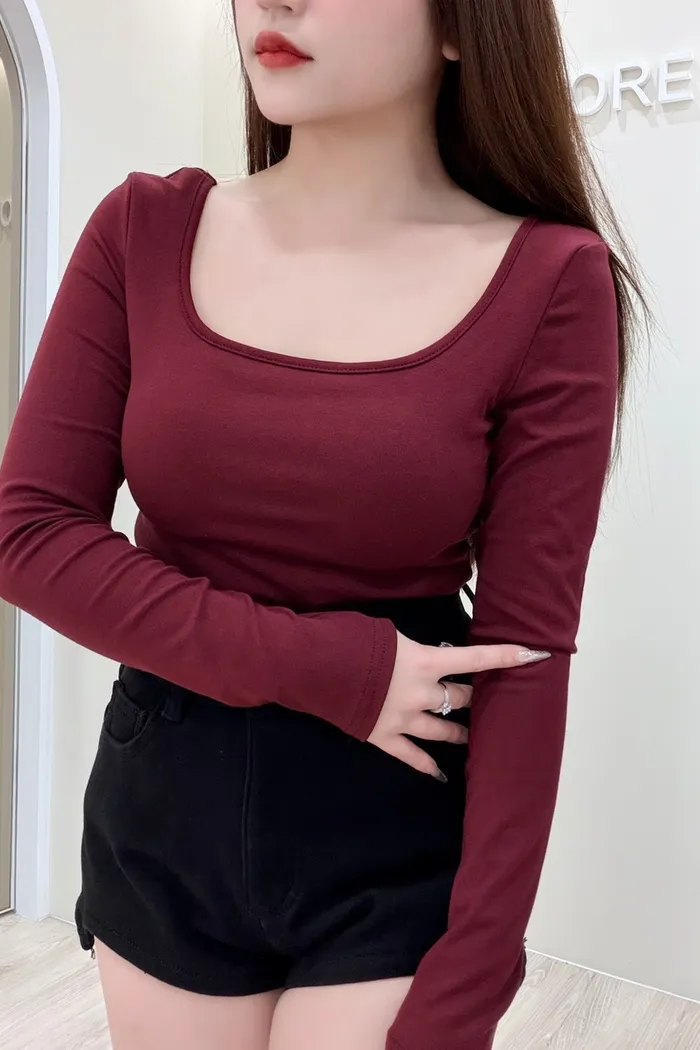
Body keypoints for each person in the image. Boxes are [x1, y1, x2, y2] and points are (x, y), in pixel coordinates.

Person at [0, 0, 650, 1048]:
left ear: (463, 25)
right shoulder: (143, 230)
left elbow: (528, 655)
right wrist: (334, 670)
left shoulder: (547, 279)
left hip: (395, 826)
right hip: (168, 807)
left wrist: (476, 968)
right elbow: (28, 535)